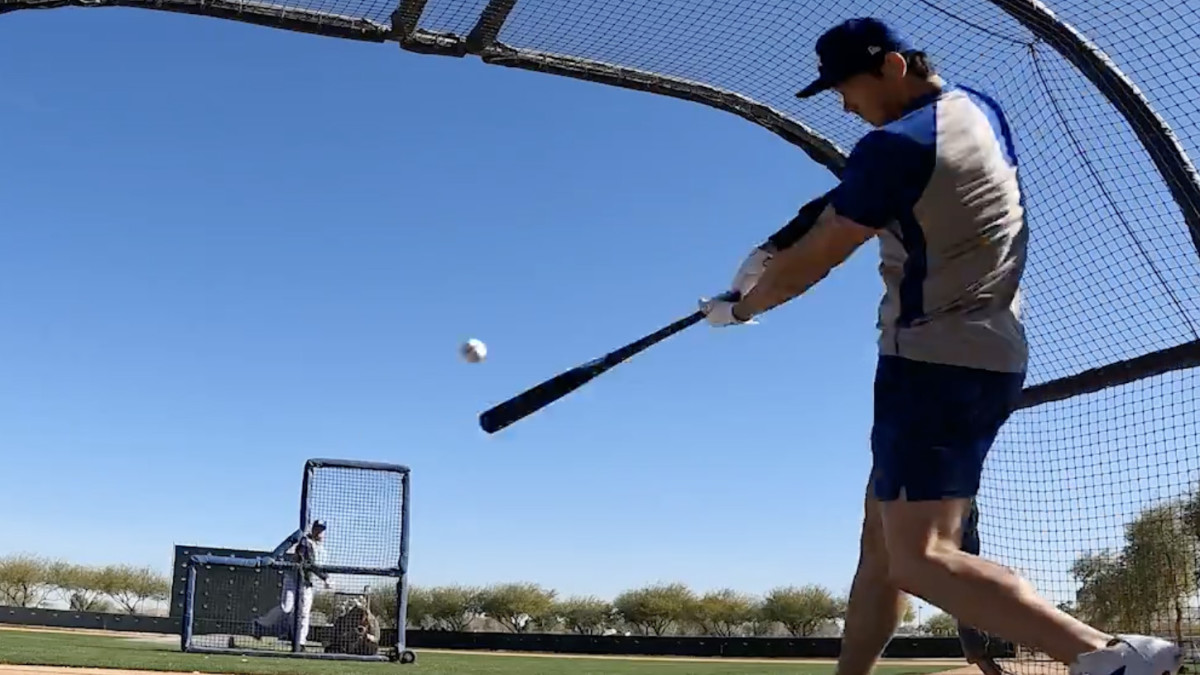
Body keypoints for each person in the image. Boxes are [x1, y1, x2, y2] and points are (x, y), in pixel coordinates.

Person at [697, 16, 1182, 675]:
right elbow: (848, 200)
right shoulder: (974, 108)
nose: (844, 104)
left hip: (934, 361)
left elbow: (819, 257)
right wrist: (771, 249)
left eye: (847, 87)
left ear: (892, 66)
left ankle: (1105, 655)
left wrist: (744, 306)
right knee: (882, 551)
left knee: (920, 556)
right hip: (984, 353)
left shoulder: (896, 147)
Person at [251, 519, 331, 648]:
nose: (319, 532)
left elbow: (320, 567)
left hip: (308, 583)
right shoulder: (305, 542)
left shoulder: (323, 549)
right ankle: (260, 623)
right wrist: (325, 577)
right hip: (294, 579)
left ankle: (300, 642)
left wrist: (325, 578)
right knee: (286, 608)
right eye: (317, 529)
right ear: (313, 529)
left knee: (304, 613)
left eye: (322, 530)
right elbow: (308, 561)